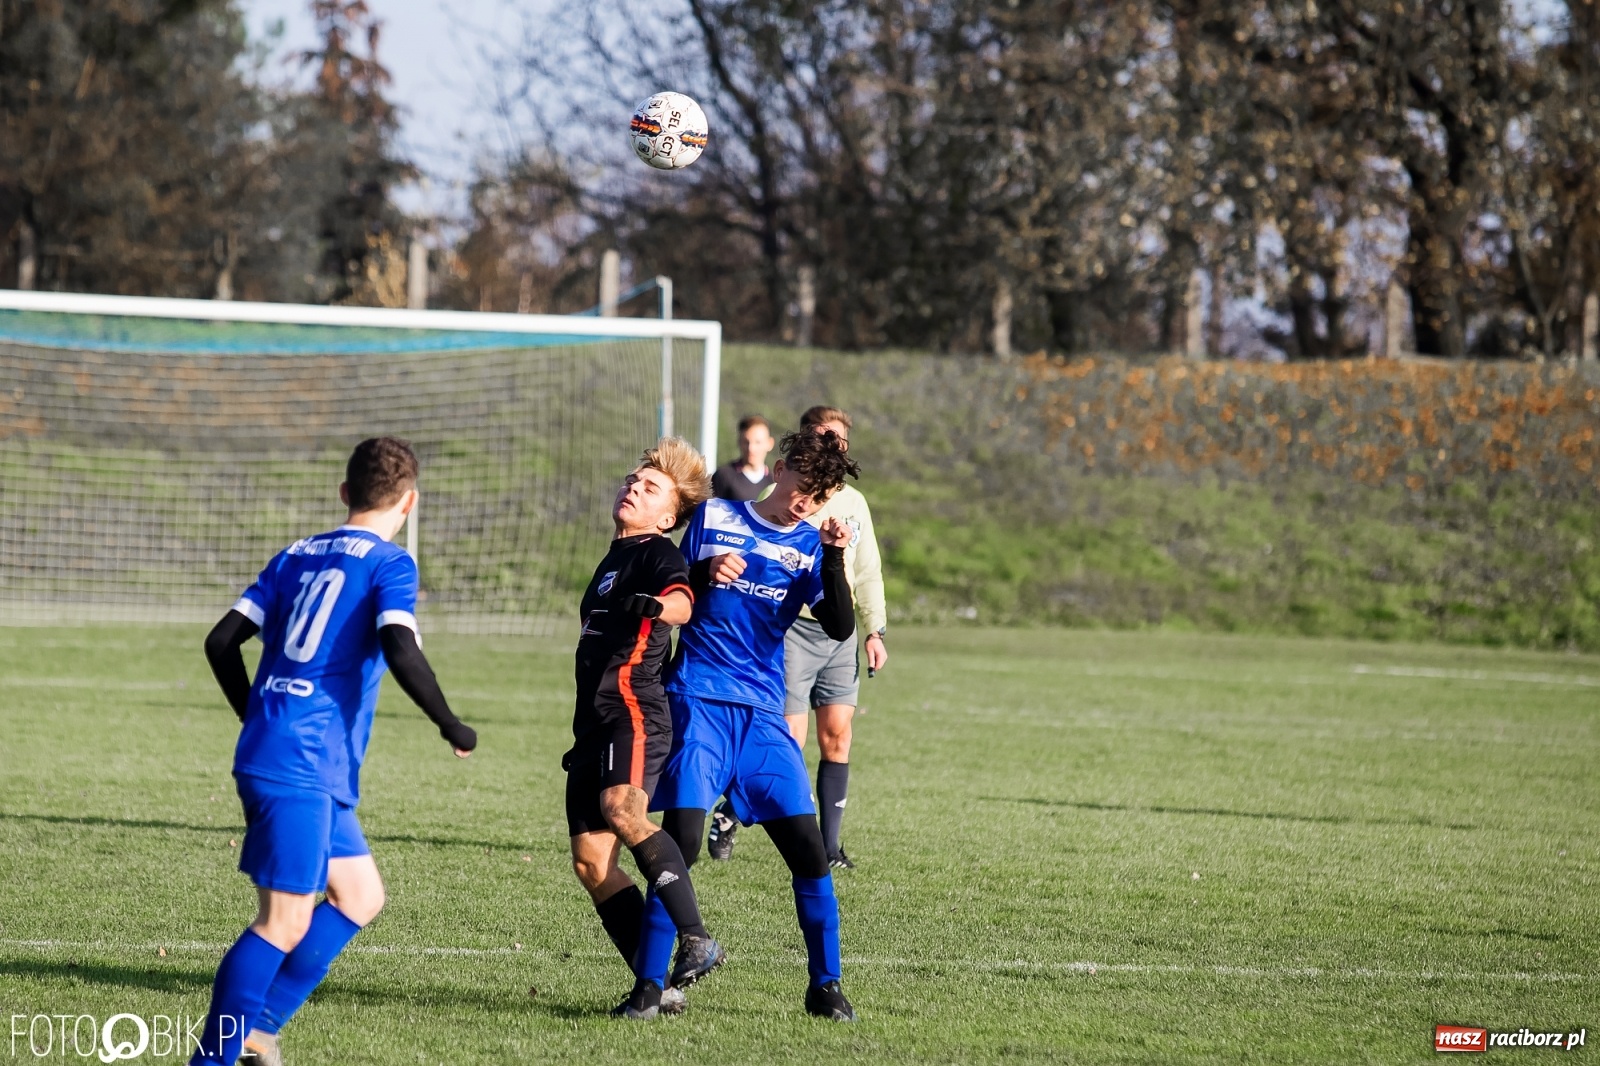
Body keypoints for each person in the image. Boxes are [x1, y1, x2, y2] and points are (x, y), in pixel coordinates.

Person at [193, 437, 477, 1066]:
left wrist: (253, 710)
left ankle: (259, 1032)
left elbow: (220, 642)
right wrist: (450, 723)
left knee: (359, 896)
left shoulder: (293, 554)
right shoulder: (390, 563)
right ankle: (214, 1057)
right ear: (410, 501)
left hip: (291, 753)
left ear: (345, 492)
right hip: (302, 763)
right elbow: (401, 649)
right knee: (283, 922)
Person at [631, 429, 863, 1021]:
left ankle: (826, 987)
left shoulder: (811, 545)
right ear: (779, 470)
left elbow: (838, 626)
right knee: (677, 847)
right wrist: (705, 571)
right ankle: (649, 990)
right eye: (803, 487)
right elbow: (670, 585)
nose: (807, 502)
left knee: (810, 853)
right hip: (698, 701)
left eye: (822, 494)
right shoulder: (714, 514)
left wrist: (834, 556)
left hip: (762, 713)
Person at [565, 438, 725, 1019]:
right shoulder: (613, 559)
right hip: (592, 724)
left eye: (650, 487)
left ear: (667, 516)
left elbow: (681, 599)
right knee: (591, 862)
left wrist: (659, 608)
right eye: (633, 479)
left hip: (633, 713)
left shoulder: (658, 554)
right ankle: (659, 985)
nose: (634, 487)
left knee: (624, 812)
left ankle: (698, 938)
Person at [708, 406, 886, 870]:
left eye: (838, 440)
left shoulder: (854, 503)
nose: (830, 445)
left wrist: (876, 630)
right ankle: (732, 810)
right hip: (789, 629)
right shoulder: (781, 494)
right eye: (821, 436)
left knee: (838, 736)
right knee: (789, 739)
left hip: (837, 631)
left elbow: (866, 571)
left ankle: (829, 848)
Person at [710, 415, 775, 501]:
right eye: (746, 442)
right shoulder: (723, 476)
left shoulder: (774, 482)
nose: (751, 448)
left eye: (757, 442)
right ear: (739, 442)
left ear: (770, 443)